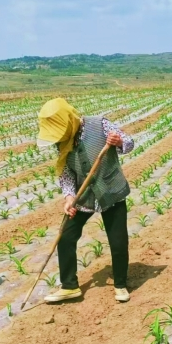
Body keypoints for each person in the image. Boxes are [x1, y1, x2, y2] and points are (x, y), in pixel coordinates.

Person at [36, 98, 134, 304]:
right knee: (65, 236)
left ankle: (120, 284)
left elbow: (129, 142)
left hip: (110, 189)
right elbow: (66, 173)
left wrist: (119, 142)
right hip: (84, 195)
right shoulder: (63, 141)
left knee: (118, 242)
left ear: (69, 120)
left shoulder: (100, 124)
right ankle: (69, 286)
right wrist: (69, 198)